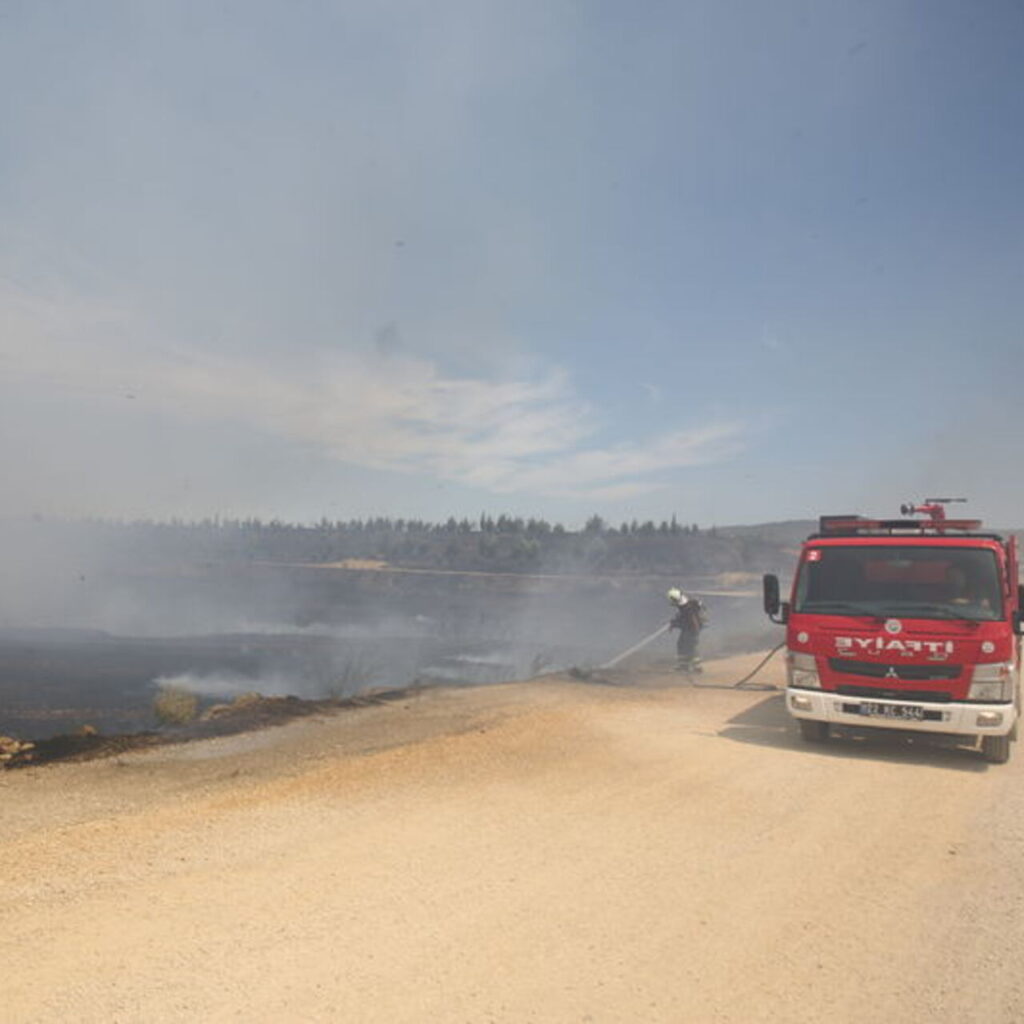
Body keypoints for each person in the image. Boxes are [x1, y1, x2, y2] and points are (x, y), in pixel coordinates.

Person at [667, 588, 707, 674]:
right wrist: (674, 623)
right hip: (689, 629)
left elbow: (690, 620)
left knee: (690, 647)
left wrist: (674, 624)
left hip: (692, 630)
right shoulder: (686, 605)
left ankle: (696, 667)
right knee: (681, 644)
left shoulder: (687, 608)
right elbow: (682, 618)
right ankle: (684, 665)